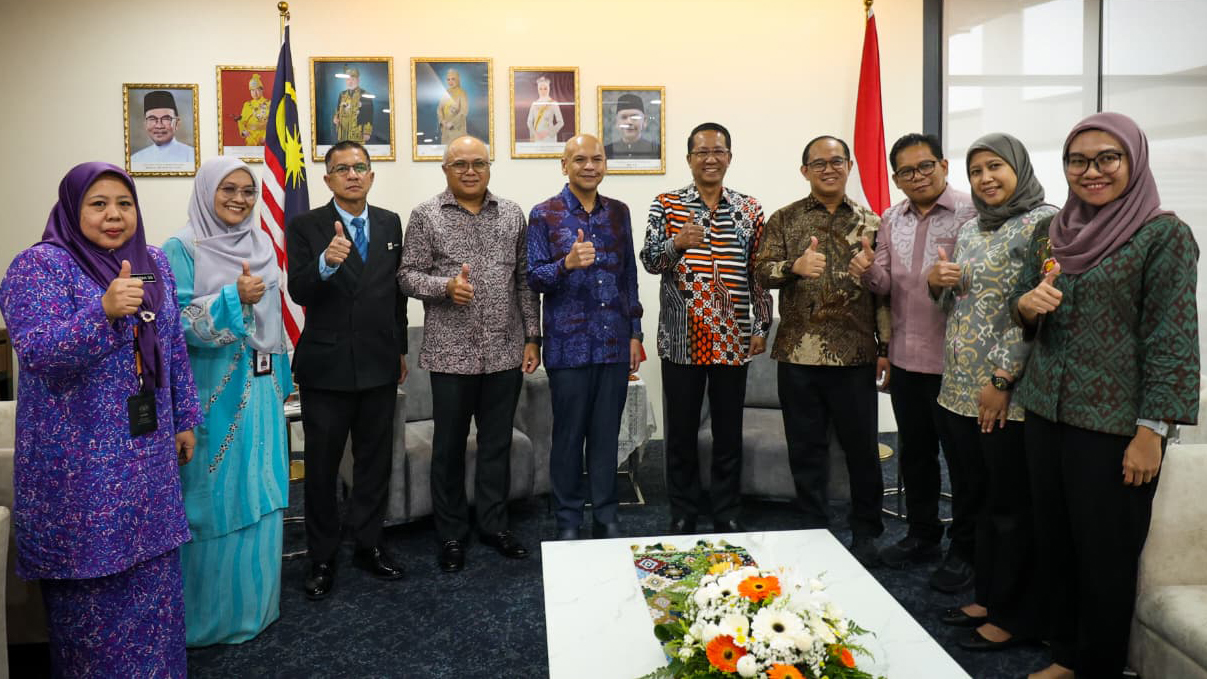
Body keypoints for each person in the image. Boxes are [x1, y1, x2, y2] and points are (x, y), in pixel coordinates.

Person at [1011, 113, 1199, 679]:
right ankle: (1066, 655)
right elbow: (1023, 304)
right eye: (1078, 160)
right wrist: (1025, 308)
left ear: (1133, 161)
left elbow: (1172, 340)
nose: (1091, 171)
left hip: (1115, 427)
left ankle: (1098, 667)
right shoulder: (1051, 233)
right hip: (1045, 411)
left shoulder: (1163, 236)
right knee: (1055, 541)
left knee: (1106, 556)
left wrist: (1152, 431)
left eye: (1107, 158)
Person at [0, 162, 202, 675]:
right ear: (72, 209)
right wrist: (103, 312)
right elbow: (38, 351)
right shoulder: (40, 267)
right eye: (98, 204)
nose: (114, 215)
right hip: (80, 468)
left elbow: (172, 346)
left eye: (124, 203)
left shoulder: (152, 262)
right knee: (93, 600)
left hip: (146, 456)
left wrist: (183, 417)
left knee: (156, 587)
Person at [927, 133, 1055, 652]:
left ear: (1018, 167)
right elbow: (956, 304)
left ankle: (1014, 616)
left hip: (1005, 394)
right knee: (976, 501)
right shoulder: (971, 227)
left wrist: (1002, 379)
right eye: (976, 170)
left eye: (995, 166)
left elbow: (1040, 310)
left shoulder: (1045, 224)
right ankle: (987, 596)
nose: (985, 178)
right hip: (957, 388)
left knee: (1010, 507)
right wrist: (937, 281)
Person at [398, 135, 542, 572]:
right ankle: (451, 534)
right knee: (448, 448)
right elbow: (406, 275)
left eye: (479, 163)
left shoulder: (512, 214)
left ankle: (494, 525)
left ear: (489, 167)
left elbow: (524, 281)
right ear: (445, 169)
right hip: (450, 354)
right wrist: (444, 287)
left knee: (496, 444)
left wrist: (533, 337)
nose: (470, 171)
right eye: (460, 164)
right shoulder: (426, 215)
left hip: (505, 350)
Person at [163, 157, 290, 645]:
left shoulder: (261, 243)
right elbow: (172, 325)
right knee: (213, 498)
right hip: (209, 395)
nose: (240, 199)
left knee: (262, 488)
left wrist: (282, 380)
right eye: (228, 189)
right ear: (206, 192)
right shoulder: (179, 248)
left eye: (248, 190)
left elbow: (273, 321)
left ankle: (257, 607)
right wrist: (232, 299)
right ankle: (205, 620)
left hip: (262, 392)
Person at [847, 133, 977, 588]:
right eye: (906, 171)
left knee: (962, 463)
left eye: (925, 166)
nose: (917, 177)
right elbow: (884, 284)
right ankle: (923, 535)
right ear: (896, 178)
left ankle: (965, 549)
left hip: (956, 363)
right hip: (906, 358)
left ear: (943, 165)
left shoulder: (972, 212)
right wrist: (867, 270)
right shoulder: (890, 217)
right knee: (916, 457)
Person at [753, 135, 889, 567]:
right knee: (805, 447)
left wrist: (886, 346)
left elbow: (884, 293)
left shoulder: (873, 222)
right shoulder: (785, 218)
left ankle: (866, 530)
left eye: (836, 161)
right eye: (819, 163)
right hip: (798, 355)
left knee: (862, 449)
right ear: (805, 171)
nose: (828, 169)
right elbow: (760, 272)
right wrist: (792, 267)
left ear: (849, 166)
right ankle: (813, 526)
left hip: (855, 356)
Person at [285, 140, 408, 600]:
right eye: (342, 169)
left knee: (374, 462)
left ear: (371, 175)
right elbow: (298, 290)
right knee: (321, 467)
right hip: (327, 366)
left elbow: (397, 294)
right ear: (328, 179)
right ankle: (322, 556)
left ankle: (369, 544)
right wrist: (325, 263)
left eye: (360, 167)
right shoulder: (305, 225)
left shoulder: (390, 222)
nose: (352, 175)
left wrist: (400, 348)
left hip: (379, 361)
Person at [640, 122, 771, 535]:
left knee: (728, 431)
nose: (710, 158)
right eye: (702, 152)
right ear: (689, 159)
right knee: (680, 432)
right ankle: (683, 510)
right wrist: (676, 243)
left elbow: (758, 274)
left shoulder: (749, 209)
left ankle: (726, 509)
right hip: (682, 339)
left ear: (729, 157)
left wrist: (762, 324)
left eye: (718, 151)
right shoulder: (666, 205)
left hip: (733, 337)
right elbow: (650, 260)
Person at [527, 134, 642, 540]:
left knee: (607, 436)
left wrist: (635, 332)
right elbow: (533, 278)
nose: (589, 166)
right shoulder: (544, 214)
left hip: (614, 344)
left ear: (605, 164)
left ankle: (606, 516)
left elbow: (629, 275)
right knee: (568, 438)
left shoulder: (619, 212)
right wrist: (566, 264)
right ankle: (569, 519)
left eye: (596, 158)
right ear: (564, 165)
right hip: (568, 346)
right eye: (579, 159)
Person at [131, 90, 195, 165]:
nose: (159, 126)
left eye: (166, 119)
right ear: (145, 124)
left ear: (177, 123)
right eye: (152, 119)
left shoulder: (192, 156)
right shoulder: (135, 160)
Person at [604, 93, 658, 159]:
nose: (629, 122)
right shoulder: (605, 151)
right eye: (624, 117)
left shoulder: (657, 150)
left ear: (644, 121)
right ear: (616, 122)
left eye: (634, 117)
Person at [332, 66, 373, 144]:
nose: (350, 82)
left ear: (358, 80)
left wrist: (367, 132)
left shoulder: (365, 94)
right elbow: (338, 110)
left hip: (358, 133)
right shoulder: (342, 94)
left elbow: (369, 114)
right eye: (348, 80)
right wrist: (336, 118)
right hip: (343, 133)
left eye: (353, 79)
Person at [525, 76, 564, 142]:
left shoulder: (553, 103)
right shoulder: (534, 104)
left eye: (545, 88)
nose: (543, 91)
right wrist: (535, 134)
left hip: (549, 136)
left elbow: (561, 122)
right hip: (537, 136)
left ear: (549, 88)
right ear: (538, 89)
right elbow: (529, 122)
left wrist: (547, 132)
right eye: (540, 89)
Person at [438, 69, 469, 145]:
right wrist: (442, 121)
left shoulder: (462, 93)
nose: (450, 82)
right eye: (448, 79)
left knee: (458, 149)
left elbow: (464, 111)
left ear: (457, 79)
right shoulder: (446, 92)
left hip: (457, 130)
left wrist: (452, 123)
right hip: (445, 130)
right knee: (445, 150)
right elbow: (439, 109)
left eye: (453, 79)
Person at [237, 74, 269, 146]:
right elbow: (241, 120)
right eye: (252, 90)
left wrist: (266, 136)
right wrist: (243, 131)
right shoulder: (247, 104)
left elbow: (273, 122)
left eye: (257, 90)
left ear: (262, 90)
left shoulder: (269, 103)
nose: (255, 93)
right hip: (251, 138)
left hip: (264, 137)